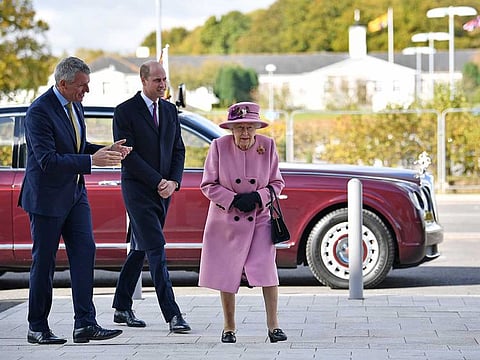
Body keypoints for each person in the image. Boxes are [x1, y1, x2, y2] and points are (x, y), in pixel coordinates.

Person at [18, 56, 131, 344]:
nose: (87, 91)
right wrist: (91, 161)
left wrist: (107, 150)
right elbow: (47, 160)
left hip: (75, 194)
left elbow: (77, 147)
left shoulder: (74, 105)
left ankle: (85, 324)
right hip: (46, 199)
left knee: (84, 254)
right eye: (82, 86)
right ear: (63, 83)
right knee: (44, 264)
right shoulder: (39, 112)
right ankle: (37, 327)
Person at [198, 101, 288, 344]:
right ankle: (229, 327)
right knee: (227, 272)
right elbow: (207, 184)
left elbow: (277, 183)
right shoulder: (218, 146)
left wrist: (258, 196)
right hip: (226, 220)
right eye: (240, 128)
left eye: (250, 127)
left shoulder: (267, 146)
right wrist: (233, 199)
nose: (245, 133)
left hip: (259, 218)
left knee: (267, 270)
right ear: (231, 130)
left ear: (257, 128)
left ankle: (274, 326)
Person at [111, 60, 190, 333]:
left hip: (164, 191)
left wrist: (174, 182)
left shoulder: (169, 110)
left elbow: (178, 150)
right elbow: (127, 156)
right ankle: (173, 314)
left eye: (164, 79)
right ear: (143, 81)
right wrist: (158, 181)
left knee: (140, 247)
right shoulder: (125, 112)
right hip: (137, 190)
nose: (162, 84)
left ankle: (121, 306)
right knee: (156, 248)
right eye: (157, 80)